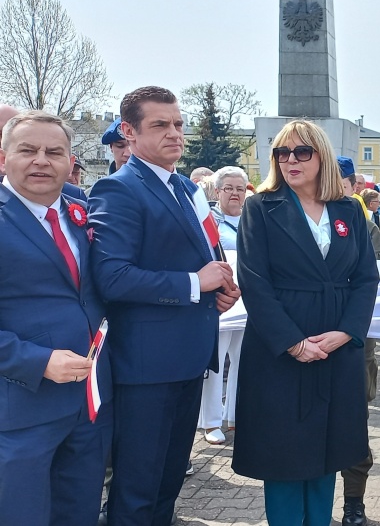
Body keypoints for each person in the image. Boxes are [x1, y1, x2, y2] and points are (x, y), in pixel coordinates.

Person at [88, 86, 241, 526]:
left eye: (178, 123)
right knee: (137, 489)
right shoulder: (117, 190)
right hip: (145, 367)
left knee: (168, 482)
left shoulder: (181, 188)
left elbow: (193, 258)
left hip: (188, 358)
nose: (175, 133)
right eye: (160, 125)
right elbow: (112, 277)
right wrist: (195, 283)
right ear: (129, 132)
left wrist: (215, 292)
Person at [231, 119, 378, 526]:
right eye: (282, 152)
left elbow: (366, 278)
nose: (290, 160)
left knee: (328, 451)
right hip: (279, 350)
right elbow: (255, 284)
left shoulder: (348, 208)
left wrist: (347, 331)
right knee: (283, 456)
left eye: (301, 152)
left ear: (321, 156)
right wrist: (295, 343)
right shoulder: (260, 207)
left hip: (336, 347)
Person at [0, 110, 112, 526]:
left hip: (89, 405)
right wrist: (38, 361)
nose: (41, 161)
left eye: (54, 152)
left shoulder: (82, 209)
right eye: (27, 150)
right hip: (21, 408)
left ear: (70, 161)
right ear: (3, 158)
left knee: (78, 513)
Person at [336, 157, 380, 526]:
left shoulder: (362, 223)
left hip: (355, 339)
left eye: (343, 181)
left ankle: (354, 500)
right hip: (308, 340)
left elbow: (371, 278)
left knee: (355, 421)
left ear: (354, 186)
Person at [198, 166, 249, 445]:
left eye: (240, 189)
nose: (234, 194)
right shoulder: (208, 222)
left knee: (244, 359)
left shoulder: (252, 220)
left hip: (248, 299)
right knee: (216, 362)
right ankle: (211, 421)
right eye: (228, 188)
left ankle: (236, 416)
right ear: (217, 192)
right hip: (219, 301)